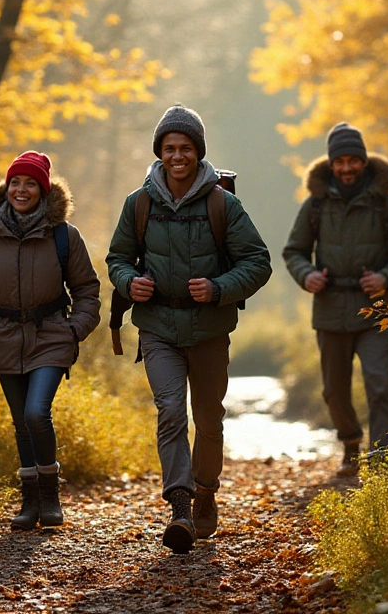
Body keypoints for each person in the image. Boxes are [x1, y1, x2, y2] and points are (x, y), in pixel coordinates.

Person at [105, 104, 272, 553]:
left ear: (198, 152)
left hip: (210, 329)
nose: (177, 155)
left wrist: (219, 288)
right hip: (157, 327)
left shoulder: (223, 204)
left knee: (209, 417)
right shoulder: (138, 204)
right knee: (170, 411)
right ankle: (180, 506)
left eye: (186, 148)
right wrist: (128, 281)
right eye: (169, 148)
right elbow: (117, 258)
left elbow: (258, 262)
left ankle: (205, 490)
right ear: (159, 153)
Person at [0, 151, 101, 530]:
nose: (21, 189)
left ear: (43, 190)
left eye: (30, 183)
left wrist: (74, 329)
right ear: (6, 187)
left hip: (50, 335)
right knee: (21, 422)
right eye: (15, 182)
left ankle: (50, 495)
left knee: (37, 412)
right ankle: (30, 502)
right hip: (1, 337)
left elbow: (87, 289)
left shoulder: (64, 235)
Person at [282, 122, 388, 477]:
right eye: (339, 161)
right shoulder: (314, 205)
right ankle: (351, 445)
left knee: (381, 386)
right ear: (331, 164)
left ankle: (383, 460)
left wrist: (386, 277)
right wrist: (307, 275)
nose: (346, 168)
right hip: (329, 311)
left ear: (363, 162)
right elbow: (294, 251)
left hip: (377, 311)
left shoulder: (387, 204)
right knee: (334, 392)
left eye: (352, 161)